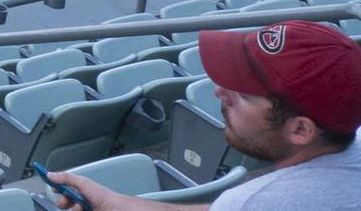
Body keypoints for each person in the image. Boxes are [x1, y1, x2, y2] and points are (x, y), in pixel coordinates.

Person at [50, 21, 361, 211]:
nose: (219, 92)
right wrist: (119, 205)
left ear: (300, 130)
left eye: (243, 94)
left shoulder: (259, 201)